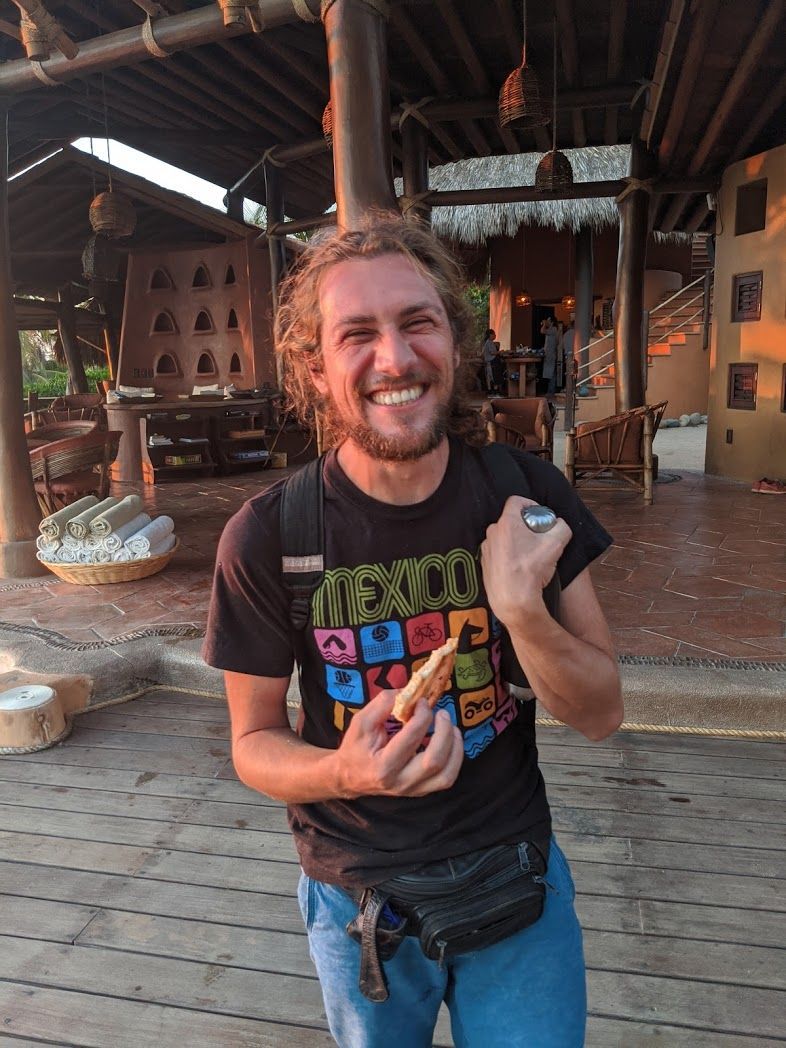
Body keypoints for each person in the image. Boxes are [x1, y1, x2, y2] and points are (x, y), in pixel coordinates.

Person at [204, 217, 623, 1048]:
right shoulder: (267, 535)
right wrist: (345, 769)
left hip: (517, 881)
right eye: (357, 334)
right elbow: (252, 744)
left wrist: (521, 609)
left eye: (417, 322)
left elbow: (601, 711)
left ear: (452, 341)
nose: (394, 359)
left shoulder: (525, 498)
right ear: (314, 369)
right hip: (360, 904)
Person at [540, 315, 559, 398]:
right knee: (550, 373)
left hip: (551, 355)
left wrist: (544, 324)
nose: (547, 322)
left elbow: (542, 331)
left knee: (551, 374)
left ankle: (551, 391)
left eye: (548, 321)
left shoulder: (554, 329)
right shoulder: (551, 330)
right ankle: (550, 391)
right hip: (549, 354)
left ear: (552, 322)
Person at [481, 327, 499, 393]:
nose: (495, 335)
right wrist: (500, 352)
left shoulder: (489, 342)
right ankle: (494, 390)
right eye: (494, 334)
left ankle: (490, 390)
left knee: (489, 376)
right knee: (493, 376)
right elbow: (492, 352)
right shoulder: (489, 343)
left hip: (489, 362)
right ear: (490, 335)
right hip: (491, 362)